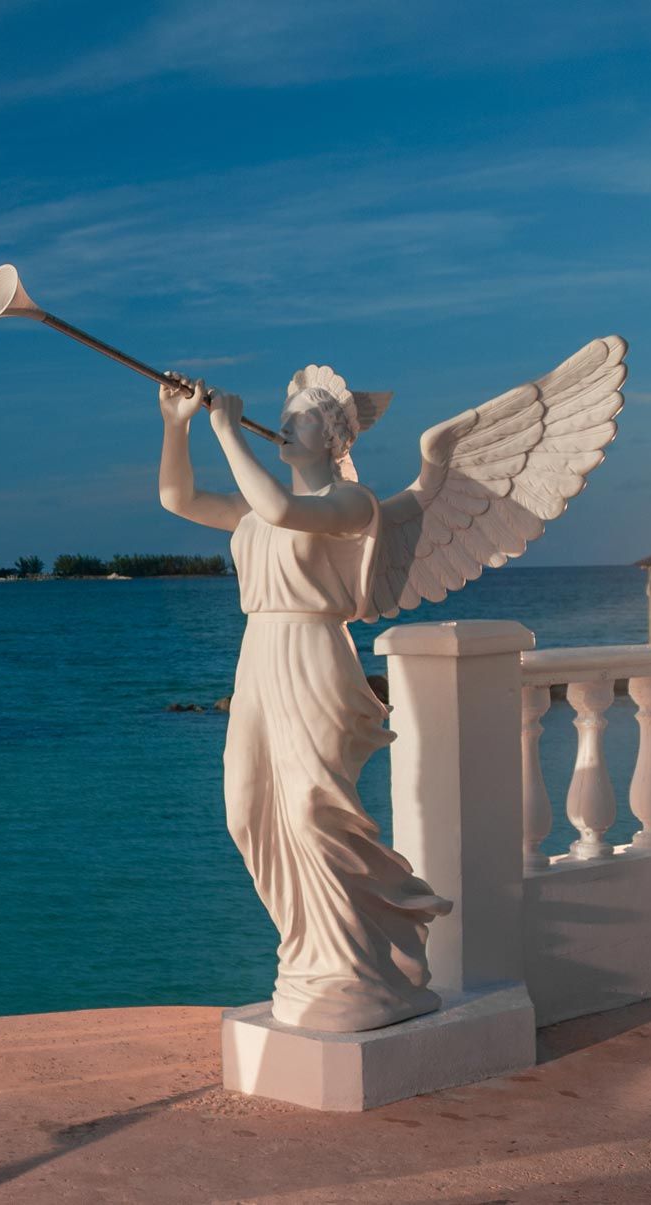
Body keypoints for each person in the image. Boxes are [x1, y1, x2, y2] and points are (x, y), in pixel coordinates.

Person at [156, 374, 451, 1032]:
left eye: (302, 418)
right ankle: (309, 958)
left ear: (337, 436)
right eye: (284, 415)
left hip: (314, 657)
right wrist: (177, 425)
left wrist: (228, 431)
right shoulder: (253, 505)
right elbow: (176, 496)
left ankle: (361, 969)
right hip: (259, 654)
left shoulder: (354, 503)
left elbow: (285, 512)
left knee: (316, 814)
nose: (286, 425)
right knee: (247, 810)